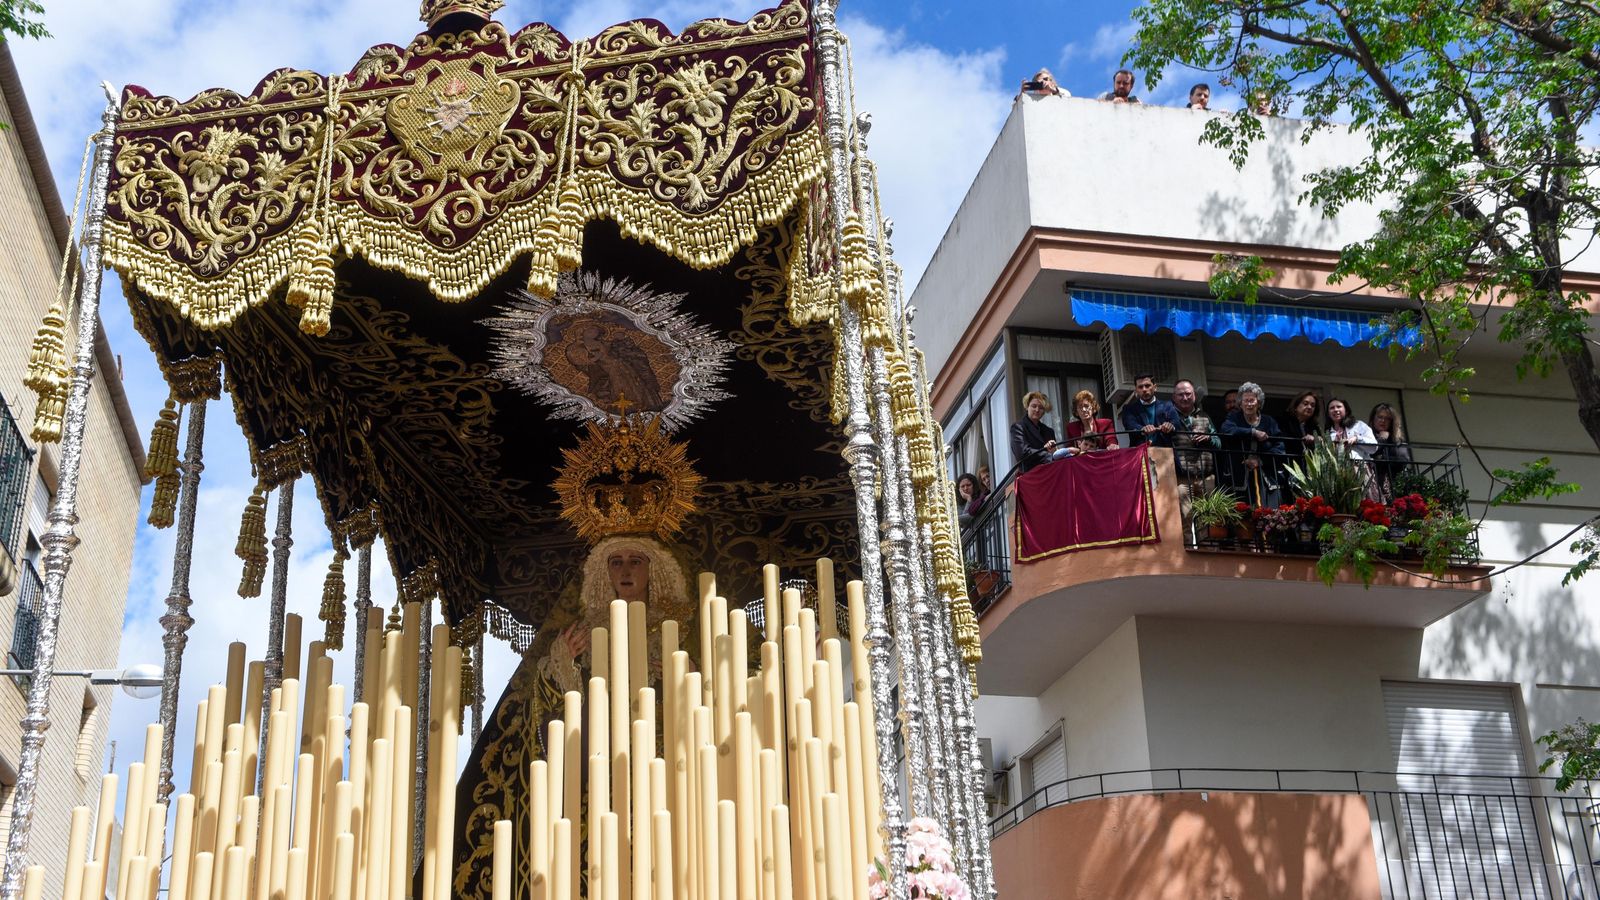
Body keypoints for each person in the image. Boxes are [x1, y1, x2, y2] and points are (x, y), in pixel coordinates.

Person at [458, 534, 693, 899]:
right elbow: (543, 707)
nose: (626, 570)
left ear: (655, 568)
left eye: (636, 560)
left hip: (660, 773)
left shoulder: (681, 631)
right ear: (605, 572)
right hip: (592, 776)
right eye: (616, 561)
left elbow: (717, 699)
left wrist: (692, 676)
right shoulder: (584, 632)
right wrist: (560, 663)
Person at [1220, 381, 1286, 507]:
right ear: (1240, 403)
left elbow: (1279, 448)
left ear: (1259, 403)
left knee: (1269, 515)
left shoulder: (1269, 421)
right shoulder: (1234, 418)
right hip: (1239, 477)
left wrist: (1260, 461)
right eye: (1245, 400)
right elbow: (1227, 431)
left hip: (1266, 477)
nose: (1249, 404)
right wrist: (1253, 432)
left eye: (1252, 400)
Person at [1171, 379, 1219, 516]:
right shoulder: (1168, 416)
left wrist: (1208, 438)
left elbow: (1218, 442)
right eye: (1180, 395)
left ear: (1194, 396)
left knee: (1208, 521)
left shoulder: (1204, 416)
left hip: (1206, 477)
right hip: (1182, 479)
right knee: (1185, 521)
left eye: (1188, 394)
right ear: (1174, 397)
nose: (1185, 397)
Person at [1011, 390, 1073, 471]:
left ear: (1044, 411)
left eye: (1041, 408)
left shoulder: (1049, 431)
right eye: (1034, 406)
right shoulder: (1018, 427)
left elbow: (1053, 455)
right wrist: (1046, 452)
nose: (1037, 410)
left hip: (1050, 472)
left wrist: (1055, 450)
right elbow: (1022, 453)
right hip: (1031, 475)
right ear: (1027, 407)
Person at [1119, 374, 1180, 447]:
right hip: (1140, 454)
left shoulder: (1167, 405)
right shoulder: (1129, 409)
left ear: (1155, 387)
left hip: (1165, 453)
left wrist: (1170, 426)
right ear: (1136, 390)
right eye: (1140, 387)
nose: (1144, 389)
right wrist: (1142, 429)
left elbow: (1177, 424)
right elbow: (1130, 425)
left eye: (1147, 386)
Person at [1368, 403, 1411, 501]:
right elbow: (1370, 452)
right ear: (1373, 419)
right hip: (1371, 484)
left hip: (1392, 484)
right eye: (1380, 417)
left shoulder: (1396, 440)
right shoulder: (1366, 437)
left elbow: (1403, 460)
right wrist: (1382, 439)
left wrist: (1383, 459)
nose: (1383, 421)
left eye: (1387, 418)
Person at [1282, 390, 1322, 462]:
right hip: (1290, 463)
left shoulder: (1314, 426)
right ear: (1296, 406)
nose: (1309, 407)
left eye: (1313, 405)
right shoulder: (1284, 421)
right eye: (1305, 404)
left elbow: (1321, 444)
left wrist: (1316, 438)